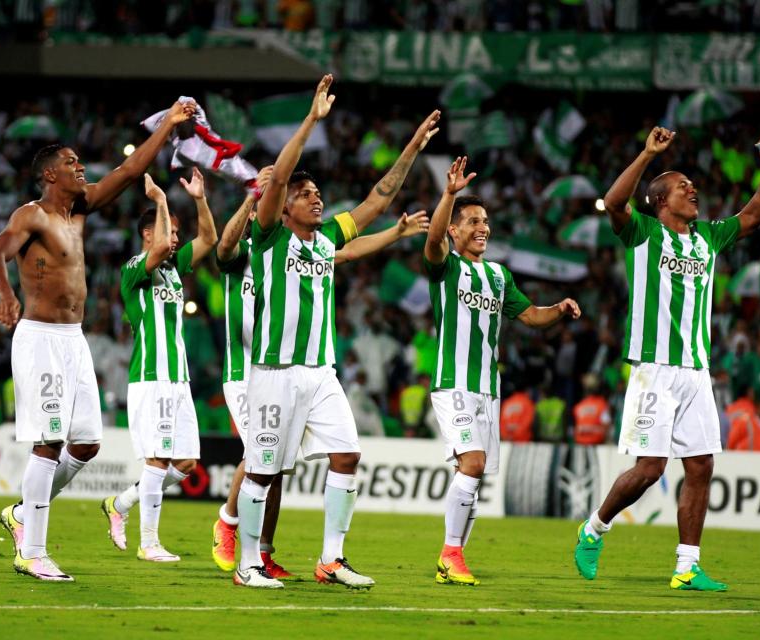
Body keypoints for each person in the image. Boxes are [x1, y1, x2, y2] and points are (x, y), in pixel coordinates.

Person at [232, 74, 439, 589]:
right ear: (285, 206)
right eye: (306, 195)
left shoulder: (324, 241)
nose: (316, 200)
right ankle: (248, 565)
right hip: (274, 372)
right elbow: (276, 179)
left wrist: (412, 147)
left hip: (320, 372)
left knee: (348, 455)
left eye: (318, 193)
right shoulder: (269, 235)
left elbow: (377, 202)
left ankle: (331, 559)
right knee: (262, 471)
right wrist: (311, 120)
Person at [0, 100, 196, 582]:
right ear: (48, 176)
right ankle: (33, 551)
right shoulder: (32, 216)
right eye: (70, 163)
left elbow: (128, 170)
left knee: (86, 445)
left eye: (80, 162)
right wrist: (5, 296)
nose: (80, 167)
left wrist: (166, 126)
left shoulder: (79, 210)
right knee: (49, 442)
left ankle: (22, 514)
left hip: (73, 339)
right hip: (39, 336)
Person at [574, 127, 760, 591]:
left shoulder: (707, 237)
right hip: (655, 371)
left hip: (695, 369)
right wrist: (647, 153)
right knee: (651, 468)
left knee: (701, 465)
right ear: (660, 201)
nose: (694, 189)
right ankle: (594, 528)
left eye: (693, 184)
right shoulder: (643, 233)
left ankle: (687, 566)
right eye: (682, 186)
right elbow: (612, 202)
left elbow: (753, 217)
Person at [424, 156, 581, 586]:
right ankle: (450, 554)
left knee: (474, 479)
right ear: (456, 230)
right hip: (452, 383)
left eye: (486, 220)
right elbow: (433, 239)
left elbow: (530, 316)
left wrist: (559, 309)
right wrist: (449, 194)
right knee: (471, 464)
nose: (483, 227)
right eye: (472, 220)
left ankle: (452, 560)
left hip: (487, 390)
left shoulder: (497, 276)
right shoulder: (446, 268)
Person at [100, 168, 217, 560]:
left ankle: (122, 504)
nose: (177, 238)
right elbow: (161, 249)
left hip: (178, 380)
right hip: (152, 377)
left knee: (186, 462)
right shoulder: (135, 269)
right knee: (159, 458)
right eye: (169, 229)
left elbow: (211, 240)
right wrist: (162, 201)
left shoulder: (172, 269)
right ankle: (148, 544)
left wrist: (199, 198)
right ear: (149, 234)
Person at [572, 374, 612, 446]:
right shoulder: (602, 405)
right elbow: (607, 424)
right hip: (597, 443)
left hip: (579, 443)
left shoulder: (578, 406)